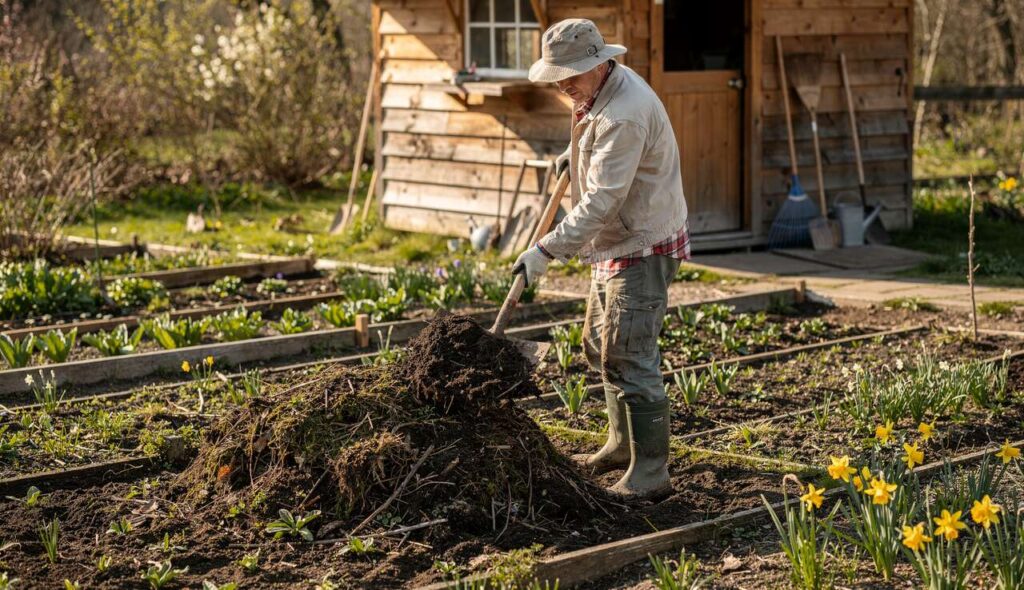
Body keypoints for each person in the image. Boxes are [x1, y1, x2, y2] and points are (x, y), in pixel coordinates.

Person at [512, 18, 689, 498]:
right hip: (616, 238)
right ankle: (620, 443)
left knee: (630, 353)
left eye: (570, 74)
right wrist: (576, 156)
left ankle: (651, 471)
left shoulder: (624, 115)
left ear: (598, 63)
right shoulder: (600, 87)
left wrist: (546, 249)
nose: (563, 85)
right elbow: (599, 141)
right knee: (599, 345)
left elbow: (601, 204)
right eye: (558, 76)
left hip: (640, 242)